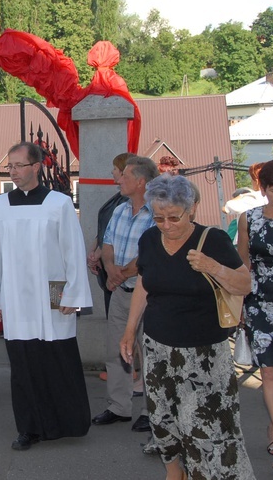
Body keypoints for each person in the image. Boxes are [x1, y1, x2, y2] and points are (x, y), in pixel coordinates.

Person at [120, 173, 255, 479]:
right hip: (158, 349)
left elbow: (245, 283)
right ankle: (173, 472)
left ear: (191, 208)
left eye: (173, 217)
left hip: (205, 353)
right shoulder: (150, 239)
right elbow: (144, 283)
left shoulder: (214, 240)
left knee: (206, 428)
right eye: (159, 218)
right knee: (163, 420)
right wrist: (130, 330)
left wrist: (213, 267)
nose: (166, 225)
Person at [0, 142, 93, 451]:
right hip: (16, 294)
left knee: (58, 356)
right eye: (11, 167)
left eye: (19, 166)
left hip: (54, 288)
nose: (13, 172)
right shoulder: (2, 205)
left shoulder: (58, 203)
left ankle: (68, 422)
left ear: (36, 167)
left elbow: (73, 249)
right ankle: (29, 428)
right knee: (24, 363)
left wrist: (73, 293)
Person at [237, 158, 273, 470]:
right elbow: (242, 262)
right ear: (264, 189)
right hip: (259, 303)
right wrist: (239, 304)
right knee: (270, 371)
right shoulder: (250, 219)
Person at [92, 156, 159, 433]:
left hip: (149, 295)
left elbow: (150, 253)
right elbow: (106, 245)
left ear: (141, 181)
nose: (118, 180)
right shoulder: (120, 210)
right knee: (116, 349)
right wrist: (111, 270)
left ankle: (152, 412)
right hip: (120, 291)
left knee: (150, 354)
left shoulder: (158, 212)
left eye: (124, 176)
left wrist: (122, 273)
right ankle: (118, 407)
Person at [87, 153, 134, 317]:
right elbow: (104, 229)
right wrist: (94, 252)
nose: (111, 172)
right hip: (109, 266)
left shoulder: (125, 203)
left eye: (115, 168)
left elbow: (114, 234)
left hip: (122, 272)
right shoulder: (119, 200)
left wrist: (98, 255)